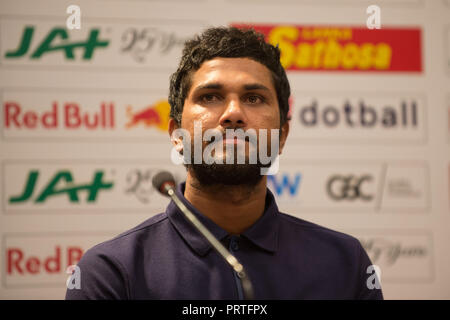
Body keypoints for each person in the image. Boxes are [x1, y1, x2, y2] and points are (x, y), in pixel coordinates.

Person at [65, 26, 383, 300]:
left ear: (282, 135)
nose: (232, 113)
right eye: (211, 97)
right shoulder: (111, 271)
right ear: (176, 134)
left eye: (254, 98)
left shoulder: (345, 262)